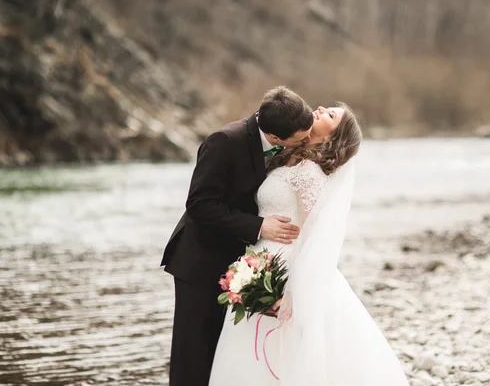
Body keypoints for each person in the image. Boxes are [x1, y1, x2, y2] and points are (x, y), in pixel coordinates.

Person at [209, 104, 410, 386]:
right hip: (260, 259)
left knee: (288, 348)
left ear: (334, 137)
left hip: (287, 267)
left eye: (330, 115)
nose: (320, 108)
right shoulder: (285, 158)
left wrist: (292, 291)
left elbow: (314, 235)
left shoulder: (309, 172)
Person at [161, 86, 314, 386]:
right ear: (274, 138)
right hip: (201, 262)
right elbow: (199, 204)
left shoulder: (283, 137)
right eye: (300, 139)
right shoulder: (224, 142)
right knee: (195, 354)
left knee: (226, 351)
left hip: (240, 264)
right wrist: (259, 226)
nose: (306, 141)